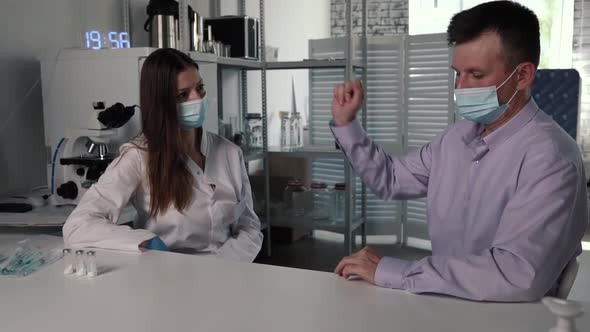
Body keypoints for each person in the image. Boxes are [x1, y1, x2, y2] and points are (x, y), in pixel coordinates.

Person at [331, 1, 588, 301]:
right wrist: (346, 124)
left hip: (512, 317)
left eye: (476, 75)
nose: (461, 88)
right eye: (457, 73)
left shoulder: (552, 159)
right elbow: (390, 178)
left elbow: (516, 273)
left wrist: (396, 272)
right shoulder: (453, 140)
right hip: (443, 303)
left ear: (522, 76)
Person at [63, 48, 263, 262]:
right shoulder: (139, 156)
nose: (197, 98)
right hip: (168, 276)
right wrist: (145, 241)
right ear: (161, 103)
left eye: (200, 88)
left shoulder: (230, 153)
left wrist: (223, 264)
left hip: (228, 273)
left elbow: (249, 226)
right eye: (182, 95)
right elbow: (78, 225)